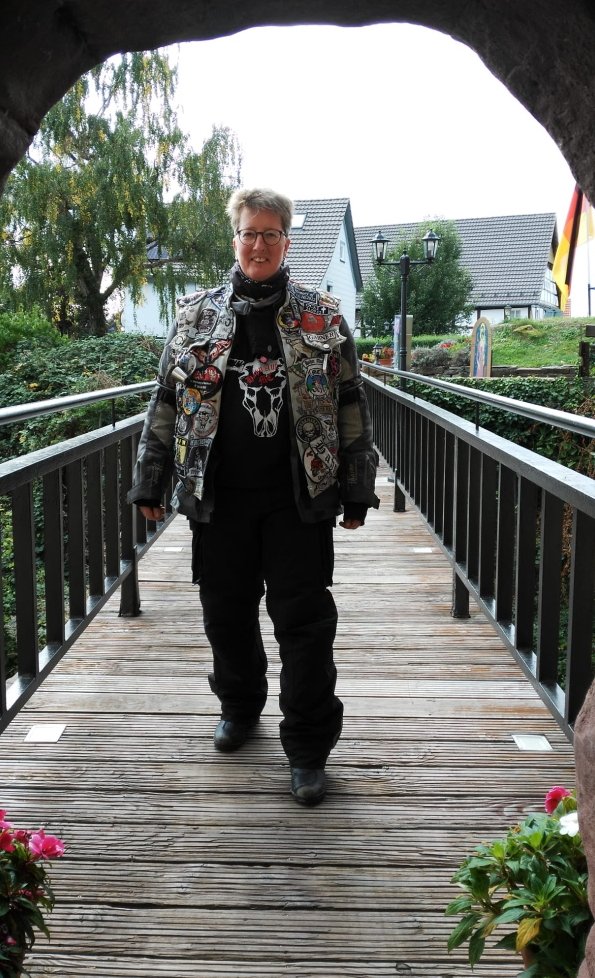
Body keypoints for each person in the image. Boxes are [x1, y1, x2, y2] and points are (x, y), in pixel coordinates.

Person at [128, 187, 380, 806]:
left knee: (305, 625)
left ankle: (308, 748)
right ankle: (239, 707)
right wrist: (150, 478)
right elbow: (166, 400)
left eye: (270, 234)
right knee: (226, 615)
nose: (259, 245)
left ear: (287, 242)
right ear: (235, 239)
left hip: (299, 499)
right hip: (219, 498)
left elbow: (351, 401)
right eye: (249, 233)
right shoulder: (195, 316)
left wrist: (356, 487)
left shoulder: (323, 315)